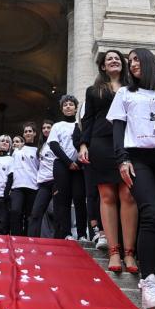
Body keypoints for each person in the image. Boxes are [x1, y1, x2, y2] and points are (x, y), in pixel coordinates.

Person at [109, 48, 155, 309]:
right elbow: (118, 129)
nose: (133, 64)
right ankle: (148, 279)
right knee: (150, 212)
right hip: (137, 157)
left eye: (138, 58)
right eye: (131, 60)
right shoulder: (125, 93)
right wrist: (121, 159)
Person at [79, 50, 137, 273]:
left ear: (123, 64)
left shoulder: (134, 88)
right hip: (101, 143)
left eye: (116, 58)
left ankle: (130, 253)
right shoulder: (94, 91)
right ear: (102, 67)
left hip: (128, 142)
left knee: (128, 194)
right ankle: (114, 250)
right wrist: (84, 144)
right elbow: (88, 119)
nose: (113, 61)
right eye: (108, 59)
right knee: (107, 195)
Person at [50, 95, 86, 240]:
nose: (68, 107)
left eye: (71, 104)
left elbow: (86, 143)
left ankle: (82, 233)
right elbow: (54, 145)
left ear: (76, 107)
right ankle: (66, 233)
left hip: (80, 165)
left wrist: (78, 162)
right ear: (62, 109)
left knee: (79, 198)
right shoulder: (57, 126)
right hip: (62, 165)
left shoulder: (81, 124)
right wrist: (68, 162)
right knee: (64, 199)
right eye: (65, 105)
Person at [9, 123, 41, 236]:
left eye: (30, 131)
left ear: (35, 133)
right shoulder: (16, 150)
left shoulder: (38, 151)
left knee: (30, 215)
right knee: (15, 211)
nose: (28, 133)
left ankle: (26, 238)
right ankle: (15, 236)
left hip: (33, 186)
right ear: (23, 134)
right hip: (17, 186)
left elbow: (40, 169)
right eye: (26, 131)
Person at [28, 120, 57, 238]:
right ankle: (32, 239)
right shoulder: (42, 145)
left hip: (56, 181)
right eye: (44, 128)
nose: (45, 130)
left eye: (48, 127)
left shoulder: (57, 142)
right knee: (36, 213)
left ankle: (59, 240)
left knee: (56, 213)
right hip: (44, 183)